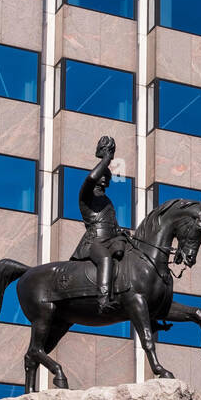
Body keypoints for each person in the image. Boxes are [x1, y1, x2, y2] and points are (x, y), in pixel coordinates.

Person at [70, 135, 130, 314]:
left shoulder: (108, 202)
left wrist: (121, 232)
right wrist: (107, 159)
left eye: (107, 176)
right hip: (93, 243)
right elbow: (90, 178)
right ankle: (103, 299)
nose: (104, 179)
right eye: (102, 175)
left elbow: (114, 225)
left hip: (110, 240)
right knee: (105, 259)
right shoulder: (86, 195)